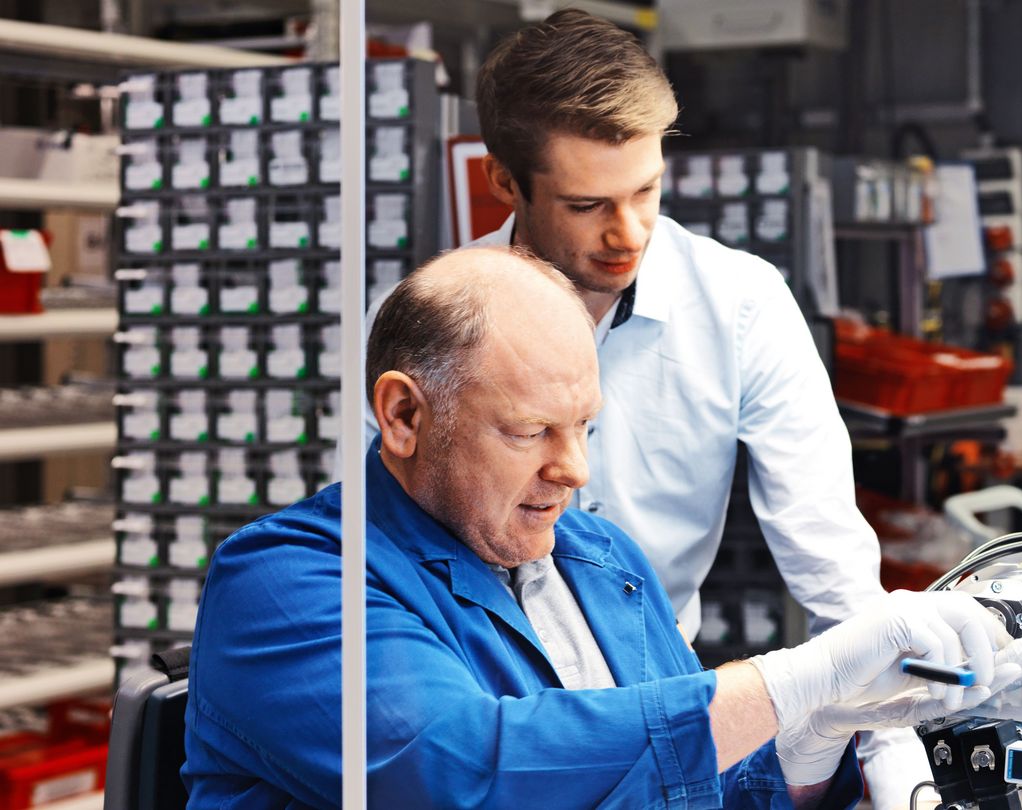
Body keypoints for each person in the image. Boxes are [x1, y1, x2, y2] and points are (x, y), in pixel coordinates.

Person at [183, 248, 1022, 808]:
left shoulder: (598, 560)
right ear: (404, 415)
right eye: (529, 432)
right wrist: (790, 681)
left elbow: (693, 786)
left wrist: (810, 744)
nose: (574, 468)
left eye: (584, 426)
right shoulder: (285, 584)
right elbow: (467, 774)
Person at [362, 12, 931, 803]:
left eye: (647, 192)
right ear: (504, 182)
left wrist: (887, 745)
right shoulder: (427, 323)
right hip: (488, 717)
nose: (628, 234)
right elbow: (377, 543)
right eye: (589, 204)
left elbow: (829, 560)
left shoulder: (740, 304)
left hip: (667, 709)